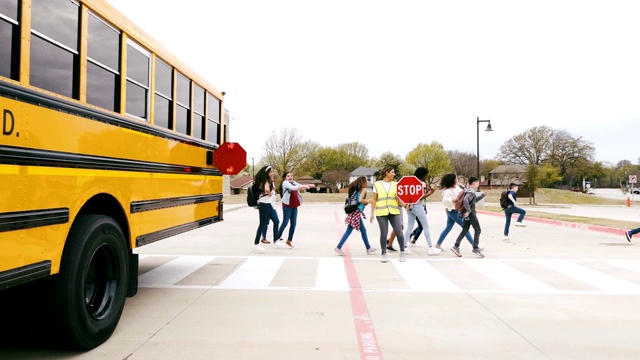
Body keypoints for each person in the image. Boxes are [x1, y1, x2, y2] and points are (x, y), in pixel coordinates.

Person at [370, 165, 408, 263]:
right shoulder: (377, 184)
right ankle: (383, 253)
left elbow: (399, 199)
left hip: (394, 211)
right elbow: (374, 199)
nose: (394, 174)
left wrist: (406, 205)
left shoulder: (396, 184)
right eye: (392, 172)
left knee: (399, 232)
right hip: (381, 212)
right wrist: (372, 213)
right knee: (384, 233)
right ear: (387, 172)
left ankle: (402, 253)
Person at [334, 176, 378, 255]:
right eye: (366, 180)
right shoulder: (363, 190)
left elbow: (358, 201)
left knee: (362, 231)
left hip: (354, 211)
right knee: (349, 231)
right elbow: (360, 200)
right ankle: (338, 247)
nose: (367, 182)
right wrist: (368, 201)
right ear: (363, 182)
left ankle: (368, 248)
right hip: (356, 212)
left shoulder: (356, 190)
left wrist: (365, 203)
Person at [403, 167, 440, 255]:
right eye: (426, 175)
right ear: (423, 175)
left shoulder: (410, 182)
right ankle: (431, 248)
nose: (426, 176)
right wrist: (431, 192)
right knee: (425, 226)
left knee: (409, 227)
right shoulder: (421, 183)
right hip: (419, 206)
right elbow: (421, 196)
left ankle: (404, 247)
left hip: (409, 206)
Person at [434, 173, 475, 250]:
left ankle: (437, 245)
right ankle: (474, 245)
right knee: (465, 227)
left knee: (448, 228)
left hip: (454, 211)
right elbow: (445, 201)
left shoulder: (457, 187)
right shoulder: (447, 191)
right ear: (452, 180)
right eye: (456, 178)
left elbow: (463, 193)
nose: (457, 179)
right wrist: (454, 200)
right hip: (453, 211)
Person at [276, 171, 315, 248]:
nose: (290, 177)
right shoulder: (285, 183)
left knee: (293, 224)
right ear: (284, 178)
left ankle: (289, 240)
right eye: (288, 176)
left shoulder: (293, 182)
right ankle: (276, 238)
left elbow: (300, 186)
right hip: (287, 206)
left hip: (294, 206)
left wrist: (308, 185)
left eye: (291, 176)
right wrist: (304, 186)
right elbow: (293, 188)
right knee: (285, 223)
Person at [450, 177, 486, 258]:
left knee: (465, 230)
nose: (478, 184)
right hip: (471, 214)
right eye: (478, 183)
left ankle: (456, 246)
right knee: (478, 230)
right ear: (474, 183)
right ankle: (476, 248)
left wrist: (482, 195)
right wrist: (469, 211)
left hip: (466, 214)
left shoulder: (468, 191)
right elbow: (466, 200)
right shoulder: (471, 192)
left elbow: (473, 201)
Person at [253, 165, 280, 252]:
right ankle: (256, 244)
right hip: (264, 205)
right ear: (267, 173)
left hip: (268, 205)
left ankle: (276, 240)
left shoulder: (268, 181)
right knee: (263, 224)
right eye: (271, 172)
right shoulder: (265, 181)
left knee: (276, 221)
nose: (272, 173)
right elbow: (267, 190)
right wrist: (270, 193)